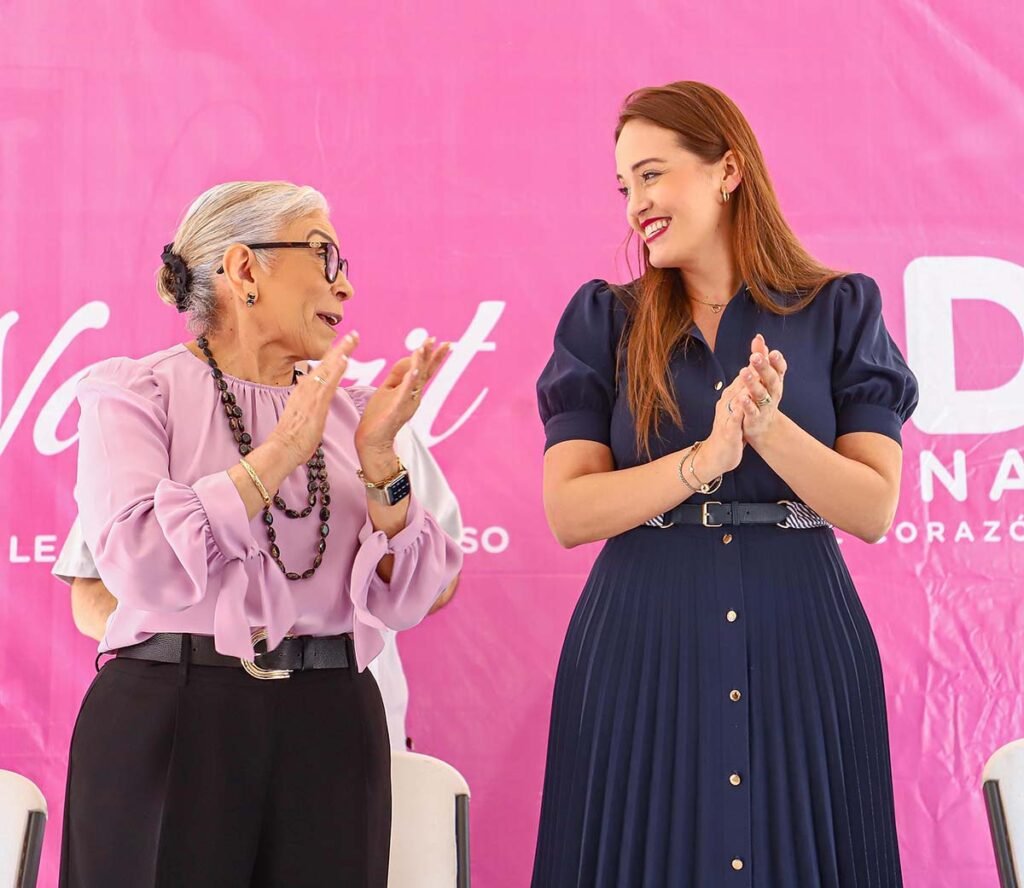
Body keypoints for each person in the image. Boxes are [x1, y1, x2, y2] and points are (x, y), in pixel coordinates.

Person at [533, 82, 918, 887]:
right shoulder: (605, 319)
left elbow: (873, 507)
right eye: (624, 186)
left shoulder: (841, 309)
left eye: (652, 175)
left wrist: (768, 428)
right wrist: (700, 462)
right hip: (639, 648)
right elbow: (570, 512)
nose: (636, 203)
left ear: (727, 170)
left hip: (804, 646)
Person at [59, 180, 463, 887]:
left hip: (334, 720)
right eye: (326, 256)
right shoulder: (134, 395)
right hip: (174, 711)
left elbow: (413, 595)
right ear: (246, 269)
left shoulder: (361, 411)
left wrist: (379, 466)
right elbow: (141, 565)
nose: (348, 284)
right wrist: (278, 451)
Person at [53, 414, 463, 750]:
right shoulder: (152, 417)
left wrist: (318, 612)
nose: (340, 309)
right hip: (191, 719)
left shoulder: (373, 423)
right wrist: (209, 642)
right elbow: (92, 593)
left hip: (344, 721)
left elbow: (438, 583)